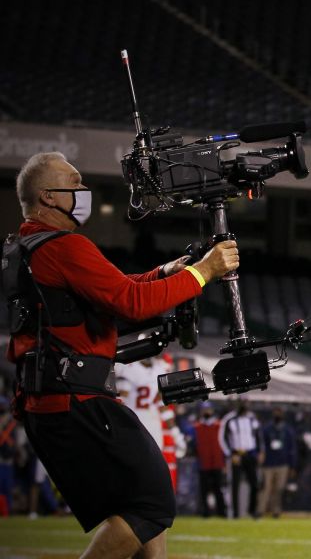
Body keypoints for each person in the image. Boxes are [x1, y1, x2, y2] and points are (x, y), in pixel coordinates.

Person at [2, 151, 238, 558]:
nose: (83, 190)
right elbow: (129, 303)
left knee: (142, 503)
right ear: (47, 197)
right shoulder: (64, 246)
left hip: (53, 400)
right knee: (151, 504)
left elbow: (111, 291)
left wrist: (164, 274)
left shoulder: (28, 245)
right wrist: (204, 272)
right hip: (76, 400)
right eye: (74, 183)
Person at [115, 354, 187, 489]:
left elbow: (162, 406)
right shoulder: (135, 369)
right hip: (136, 423)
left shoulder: (152, 369)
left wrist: (176, 435)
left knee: (148, 467)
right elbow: (121, 401)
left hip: (141, 422)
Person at [220, 400, 262, 520]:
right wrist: (230, 453)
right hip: (237, 454)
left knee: (254, 483)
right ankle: (235, 513)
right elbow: (223, 438)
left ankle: (252, 510)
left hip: (250, 453)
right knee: (235, 484)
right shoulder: (230, 419)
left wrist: (260, 451)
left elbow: (258, 436)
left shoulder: (252, 419)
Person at [258, 406, 296, 519]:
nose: (277, 415)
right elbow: (261, 445)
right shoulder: (266, 429)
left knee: (279, 489)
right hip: (268, 464)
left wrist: (292, 465)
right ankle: (260, 510)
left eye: (279, 413)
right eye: (276, 412)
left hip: (282, 464)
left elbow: (292, 449)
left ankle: (276, 511)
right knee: (265, 488)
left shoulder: (288, 430)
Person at [192, 402, 227, 519]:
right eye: (205, 410)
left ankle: (221, 512)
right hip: (203, 462)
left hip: (217, 462)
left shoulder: (219, 426)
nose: (207, 412)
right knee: (204, 490)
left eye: (209, 410)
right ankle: (205, 512)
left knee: (218, 489)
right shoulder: (196, 427)